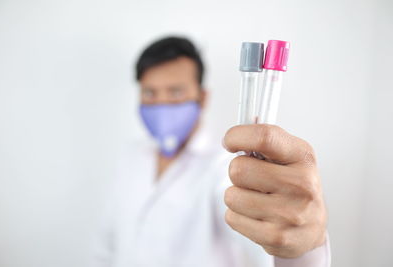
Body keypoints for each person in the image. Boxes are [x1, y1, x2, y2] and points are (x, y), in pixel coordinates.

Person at [90, 36, 330, 267]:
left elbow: (268, 247)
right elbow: (108, 245)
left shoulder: (230, 168)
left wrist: (303, 248)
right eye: (150, 93)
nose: (162, 104)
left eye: (175, 92)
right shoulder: (131, 157)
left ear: (202, 98)